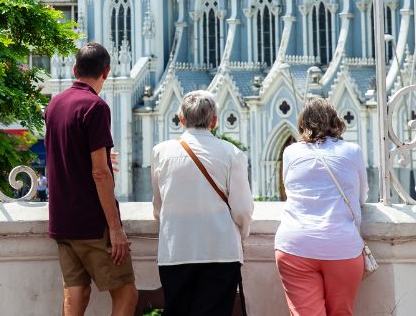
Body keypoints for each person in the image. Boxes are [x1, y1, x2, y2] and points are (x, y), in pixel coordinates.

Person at [44, 42, 138, 316]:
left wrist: (104, 163)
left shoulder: (55, 104)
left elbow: (67, 155)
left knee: (76, 296)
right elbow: (99, 172)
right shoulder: (96, 107)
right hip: (92, 223)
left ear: (75, 69)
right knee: (127, 295)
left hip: (62, 220)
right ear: (106, 73)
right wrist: (116, 229)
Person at [151, 90, 255, 316]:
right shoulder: (232, 153)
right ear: (214, 121)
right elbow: (243, 210)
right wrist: (240, 235)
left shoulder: (161, 152)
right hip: (220, 251)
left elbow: (159, 206)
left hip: (175, 250)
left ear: (181, 119)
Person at [274, 98, 368, 316]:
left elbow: (290, 190)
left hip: (295, 245)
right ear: (335, 122)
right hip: (342, 246)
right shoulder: (352, 151)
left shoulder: (291, 152)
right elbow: (362, 195)